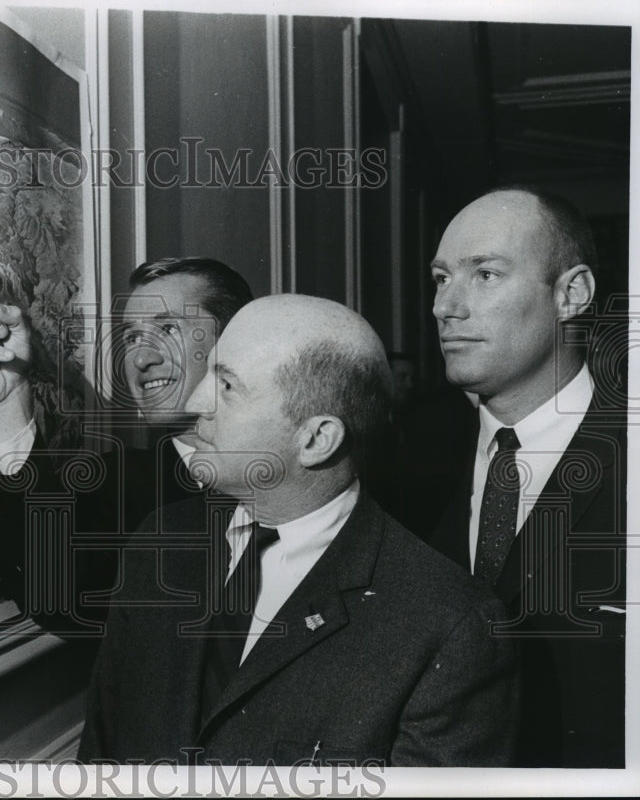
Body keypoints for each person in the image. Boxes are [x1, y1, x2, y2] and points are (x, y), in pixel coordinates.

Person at [78, 294, 518, 766]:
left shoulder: (447, 626)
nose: (195, 402)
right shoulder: (161, 541)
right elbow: (100, 758)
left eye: (226, 385)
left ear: (315, 439)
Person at [424, 186, 626, 768]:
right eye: (441, 278)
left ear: (571, 294)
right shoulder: (401, 467)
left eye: (485, 274)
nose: (445, 307)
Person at [0, 246, 253, 634]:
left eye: (168, 329)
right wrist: (7, 401)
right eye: (132, 338)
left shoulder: (302, 468)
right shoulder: (116, 489)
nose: (141, 359)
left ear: (235, 345)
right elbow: (55, 593)